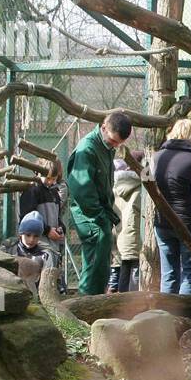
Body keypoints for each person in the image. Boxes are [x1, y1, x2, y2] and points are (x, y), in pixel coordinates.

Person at [67, 111, 131, 296]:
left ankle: (96, 299)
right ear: (103, 128)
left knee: (103, 257)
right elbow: (81, 188)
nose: (115, 146)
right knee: (97, 252)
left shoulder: (105, 147)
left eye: (118, 144)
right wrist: (99, 215)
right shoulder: (87, 149)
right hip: (88, 213)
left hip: (101, 212)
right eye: (113, 142)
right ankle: (86, 301)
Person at [152, 119, 191, 295]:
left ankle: (165, 315)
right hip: (188, 223)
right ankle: (186, 316)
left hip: (162, 222)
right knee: (190, 272)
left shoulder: (156, 157)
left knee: (169, 273)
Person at [18, 157, 67, 263]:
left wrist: (61, 228)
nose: (50, 182)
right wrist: (47, 230)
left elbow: (57, 216)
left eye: (53, 179)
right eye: (48, 178)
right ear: (38, 173)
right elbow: (26, 219)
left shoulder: (54, 192)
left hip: (53, 246)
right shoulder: (32, 191)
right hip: (36, 246)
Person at [110, 159, 142, 293]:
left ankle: (122, 303)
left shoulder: (113, 187)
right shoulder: (141, 187)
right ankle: (133, 305)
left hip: (119, 235)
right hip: (136, 236)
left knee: (124, 268)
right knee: (135, 271)